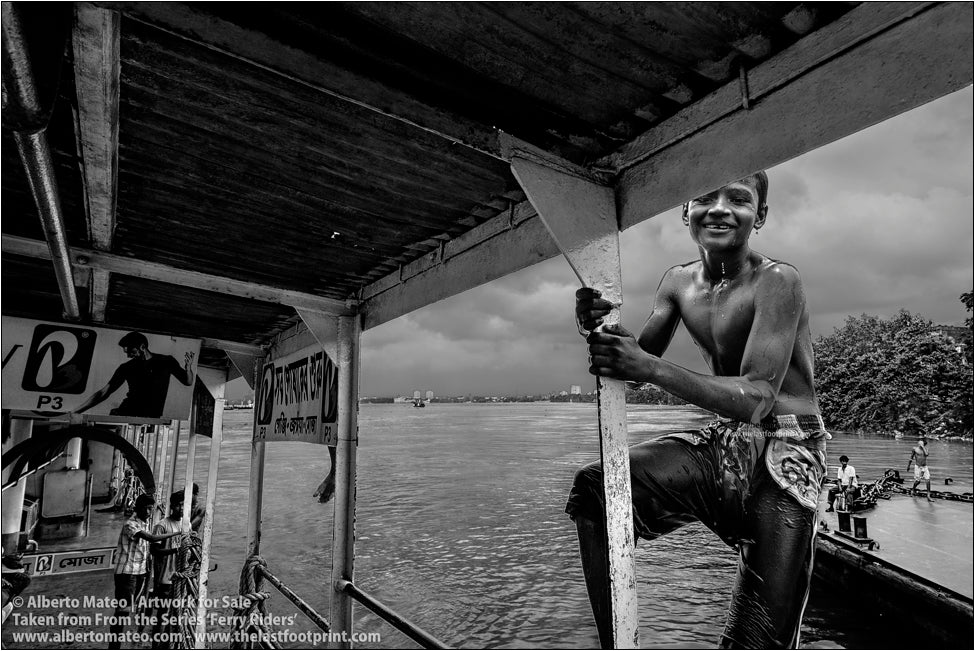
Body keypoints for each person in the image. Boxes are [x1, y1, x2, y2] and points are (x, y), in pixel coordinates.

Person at [571, 172, 828, 649]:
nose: (720, 208)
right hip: (727, 443)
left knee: (758, 642)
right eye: (705, 197)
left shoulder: (778, 281)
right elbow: (632, 363)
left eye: (739, 199)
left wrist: (647, 366)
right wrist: (599, 327)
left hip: (788, 454)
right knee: (595, 491)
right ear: (684, 211)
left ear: (761, 216)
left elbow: (756, 398)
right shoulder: (677, 283)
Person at [109, 494, 182, 649]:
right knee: (123, 611)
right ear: (139, 508)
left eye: (151, 509)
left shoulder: (144, 522)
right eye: (147, 509)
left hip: (140, 572)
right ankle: (114, 645)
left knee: (136, 607)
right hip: (127, 572)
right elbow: (153, 538)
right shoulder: (131, 524)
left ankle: (134, 637)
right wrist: (177, 533)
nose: (149, 512)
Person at [73, 331, 195, 418]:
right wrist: (76, 411)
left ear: (142, 347)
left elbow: (188, 382)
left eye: (131, 351)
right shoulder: (126, 367)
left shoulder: (166, 361)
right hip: (126, 413)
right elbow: (104, 392)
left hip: (152, 416)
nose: (128, 356)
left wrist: (188, 368)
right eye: (126, 352)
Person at [149, 493, 187, 648]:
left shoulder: (186, 525)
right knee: (163, 613)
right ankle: (157, 645)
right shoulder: (162, 525)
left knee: (178, 613)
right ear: (172, 506)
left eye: (184, 504)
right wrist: (175, 551)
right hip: (165, 577)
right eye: (179, 504)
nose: (182, 508)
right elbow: (154, 550)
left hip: (180, 577)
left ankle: (171, 644)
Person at [907, 437, 934, 501]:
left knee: (928, 480)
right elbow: (911, 458)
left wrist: (923, 447)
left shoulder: (925, 449)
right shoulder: (915, 449)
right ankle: (913, 489)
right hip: (918, 467)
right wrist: (908, 466)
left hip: (925, 467)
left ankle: (928, 495)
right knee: (918, 481)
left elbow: (926, 454)